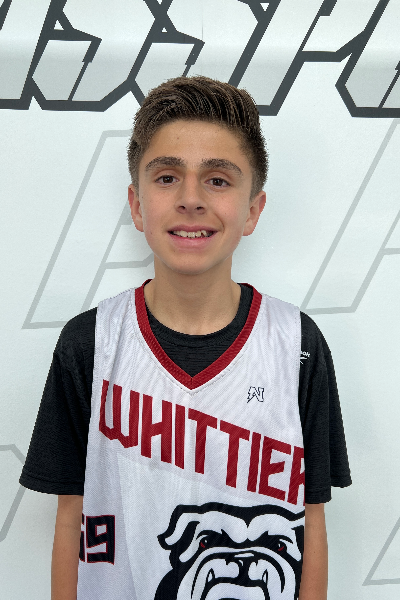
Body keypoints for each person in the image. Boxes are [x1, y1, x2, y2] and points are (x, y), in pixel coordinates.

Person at [20, 76, 351, 600]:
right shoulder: (90, 342)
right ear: (137, 205)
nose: (191, 199)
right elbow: (70, 518)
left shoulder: (297, 344)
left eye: (217, 179)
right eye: (168, 177)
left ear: (253, 209)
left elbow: (313, 521)